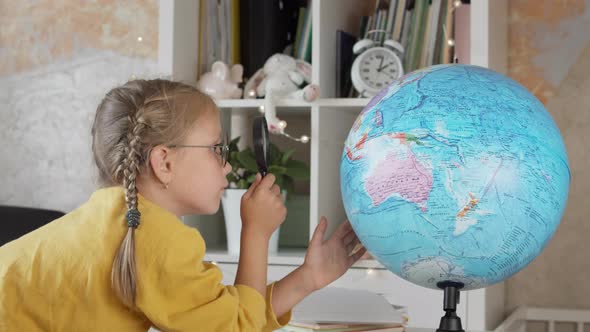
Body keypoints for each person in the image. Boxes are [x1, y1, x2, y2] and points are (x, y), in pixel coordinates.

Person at [0, 79, 366, 331]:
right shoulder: (155, 239)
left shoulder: (119, 219)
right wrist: (255, 233)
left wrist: (309, 278)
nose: (227, 164)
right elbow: (234, 327)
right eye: (216, 149)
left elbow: (224, 314)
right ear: (165, 163)